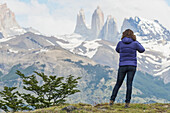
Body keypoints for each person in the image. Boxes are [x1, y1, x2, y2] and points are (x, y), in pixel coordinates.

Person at [109, 29, 145, 108]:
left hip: (122, 65)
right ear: (132, 35)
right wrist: (136, 42)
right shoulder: (135, 43)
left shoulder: (120, 43)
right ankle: (127, 103)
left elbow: (117, 50)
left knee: (118, 83)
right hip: (132, 66)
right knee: (129, 84)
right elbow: (142, 50)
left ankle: (111, 101)